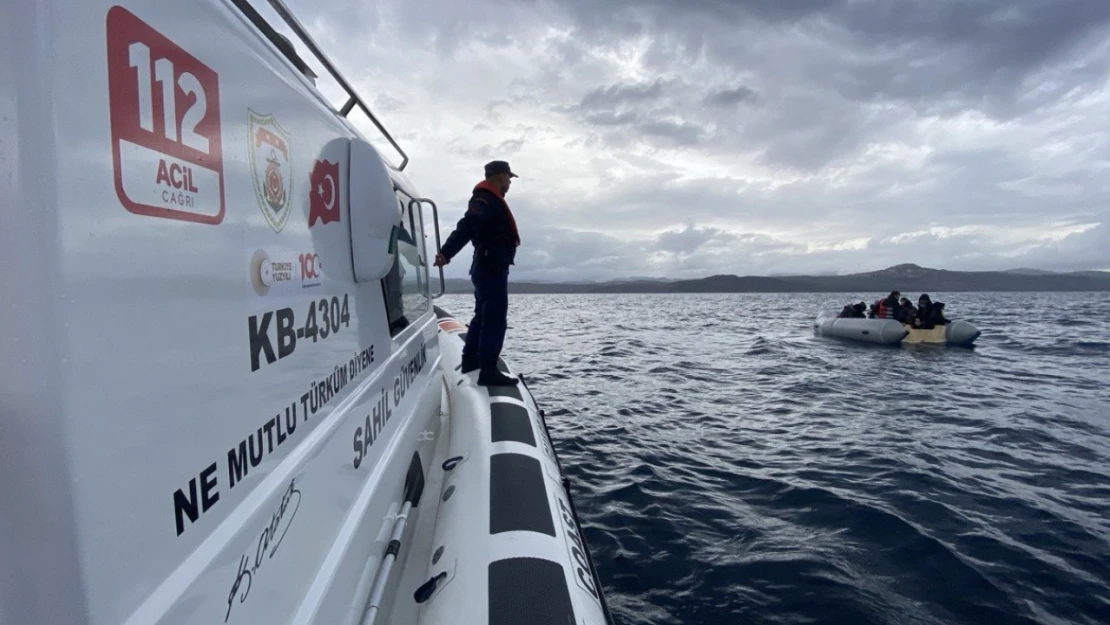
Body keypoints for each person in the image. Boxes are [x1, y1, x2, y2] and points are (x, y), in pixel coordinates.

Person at [434, 160, 522, 386]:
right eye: (509, 178)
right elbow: (467, 226)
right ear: (500, 177)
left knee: (482, 316)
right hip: (490, 267)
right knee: (494, 320)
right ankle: (488, 371)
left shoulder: (490, 199)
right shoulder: (485, 199)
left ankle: (470, 360)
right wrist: (446, 252)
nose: (510, 183)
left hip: (488, 267)